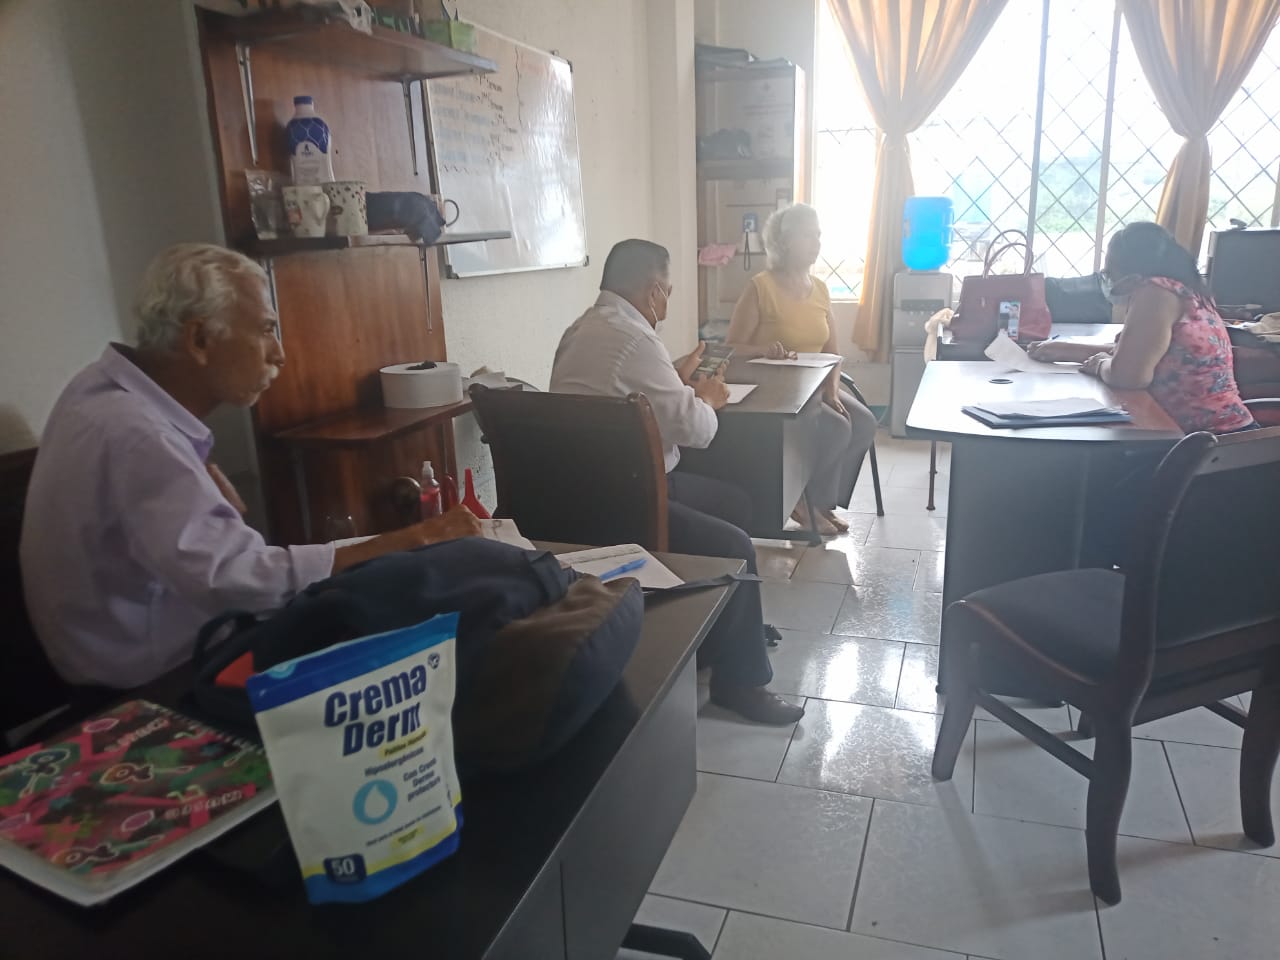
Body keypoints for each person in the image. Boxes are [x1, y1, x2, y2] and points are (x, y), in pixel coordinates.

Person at [21, 243, 481, 690]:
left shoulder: (98, 389)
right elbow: (239, 582)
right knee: (439, 630)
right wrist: (413, 539)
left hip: (116, 651)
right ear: (199, 340)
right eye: (265, 330)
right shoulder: (140, 436)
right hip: (161, 677)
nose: (278, 353)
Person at [550, 239, 804, 725]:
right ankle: (740, 683)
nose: (666, 302)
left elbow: (629, 394)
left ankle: (721, 630)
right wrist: (707, 397)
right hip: (628, 501)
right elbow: (697, 430)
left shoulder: (580, 330)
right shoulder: (637, 340)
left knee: (734, 503)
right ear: (652, 292)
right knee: (734, 543)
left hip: (578, 495)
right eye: (667, 291)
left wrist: (675, 376)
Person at [726, 203, 879, 534]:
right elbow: (731, 348)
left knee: (864, 422)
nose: (816, 242)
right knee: (837, 427)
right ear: (784, 241)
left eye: (818, 235)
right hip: (777, 391)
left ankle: (821, 503)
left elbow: (833, 353)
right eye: (808, 235)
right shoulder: (760, 287)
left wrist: (832, 390)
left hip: (816, 384)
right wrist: (763, 349)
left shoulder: (820, 289)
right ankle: (801, 503)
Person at [1027, 221, 1255, 434]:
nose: (1110, 282)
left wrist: (1100, 365)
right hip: (1220, 433)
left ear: (1132, 272)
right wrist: (1065, 350)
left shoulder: (1156, 293)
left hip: (1207, 441)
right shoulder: (1187, 291)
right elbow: (1144, 352)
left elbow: (1129, 377)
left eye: (1110, 273)